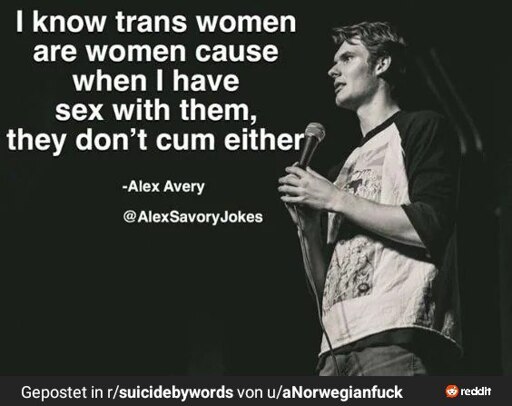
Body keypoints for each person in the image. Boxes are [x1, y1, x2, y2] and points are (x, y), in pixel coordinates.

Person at [278, 21, 462, 376]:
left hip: (396, 338)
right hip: (334, 350)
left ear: (381, 64)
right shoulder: (342, 168)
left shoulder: (421, 128)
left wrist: (334, 198)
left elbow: (430, 228)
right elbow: (326, 287)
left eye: (347, 58)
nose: (332, 70)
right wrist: (309, 228)